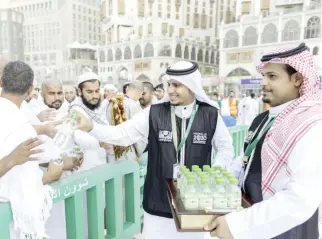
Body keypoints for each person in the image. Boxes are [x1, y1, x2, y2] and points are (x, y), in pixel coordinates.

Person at [76, 61, 234, 239]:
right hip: (157, 203)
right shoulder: (154, 113)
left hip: (195, 206)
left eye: (177, 85)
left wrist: (212, 176)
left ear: (191, 86)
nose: (171, 90)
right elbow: (123, 134)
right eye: (169, 85)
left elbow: (226, 148)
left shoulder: (210, 114)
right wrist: (91, 127)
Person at [205, 43, 322, 239]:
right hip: (252, 219)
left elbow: (300, 198)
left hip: (287, 230)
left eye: (273, 77)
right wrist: (215, 181)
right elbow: (246, 162)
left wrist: (238, 225)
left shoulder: (310, 125)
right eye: (264, 76)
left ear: (297, 79)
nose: (263, 83)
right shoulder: (263, 119)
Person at [0, 61, 64, 239]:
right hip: (9, 223)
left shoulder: (22, 124)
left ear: (1, 82)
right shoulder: (22, 127)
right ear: (30, 90)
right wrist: (48, 177)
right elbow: (24, 188)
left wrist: (41, 128)